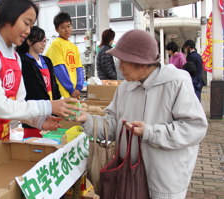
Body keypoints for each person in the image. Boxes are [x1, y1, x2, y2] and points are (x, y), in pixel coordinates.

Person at [76, 30, 208, 199]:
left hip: (164, 180)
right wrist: (87, 120)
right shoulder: (125, 88)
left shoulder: (176, 83)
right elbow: (114, 124)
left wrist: (150, 132)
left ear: (143, 63)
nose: (119, 66)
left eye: (124, 61)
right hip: (128, 176)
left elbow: (195, 128)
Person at [0, 0, 79, 155]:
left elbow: (18, 105)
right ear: (7, 17)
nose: (28, 31)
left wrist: (39, 121)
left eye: (31, 26)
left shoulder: (14, 56)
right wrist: (49, 105)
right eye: (26, 23)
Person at [16, 26, 61, 138]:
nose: (43, 44)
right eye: (40, 41)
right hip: (33, 111)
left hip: (51, 107)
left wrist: (58, 100)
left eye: (45, 40)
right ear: (29, 41)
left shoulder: (46, 60)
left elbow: (53, 83)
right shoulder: (22, 62)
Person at [46, 12, 84, 98]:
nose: (67, 30)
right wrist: (71, 89)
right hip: (62, 92)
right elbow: (59, 68)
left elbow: (79, 68)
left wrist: (79, 87)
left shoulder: (74, 47)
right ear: (57, 29)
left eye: (68, 26)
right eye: (63, 27)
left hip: (74, 92)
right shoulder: (56, 44)